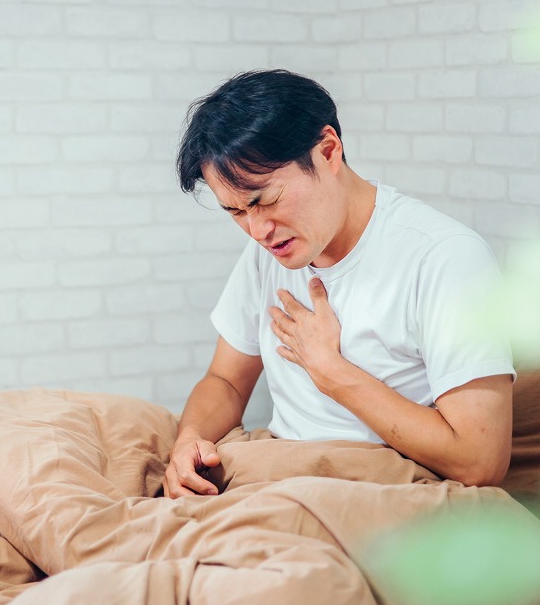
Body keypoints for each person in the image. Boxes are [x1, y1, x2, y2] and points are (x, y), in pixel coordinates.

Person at [164, 69, 515, 498]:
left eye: (265, 200)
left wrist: (331, 371)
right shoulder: (267, 250)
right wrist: (189, 440)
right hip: (277, 467)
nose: (256, 230)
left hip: (379, 485)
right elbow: (226, 381)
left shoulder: (444, 256)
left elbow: (480, 460)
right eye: (236, 212)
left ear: (328, 152)